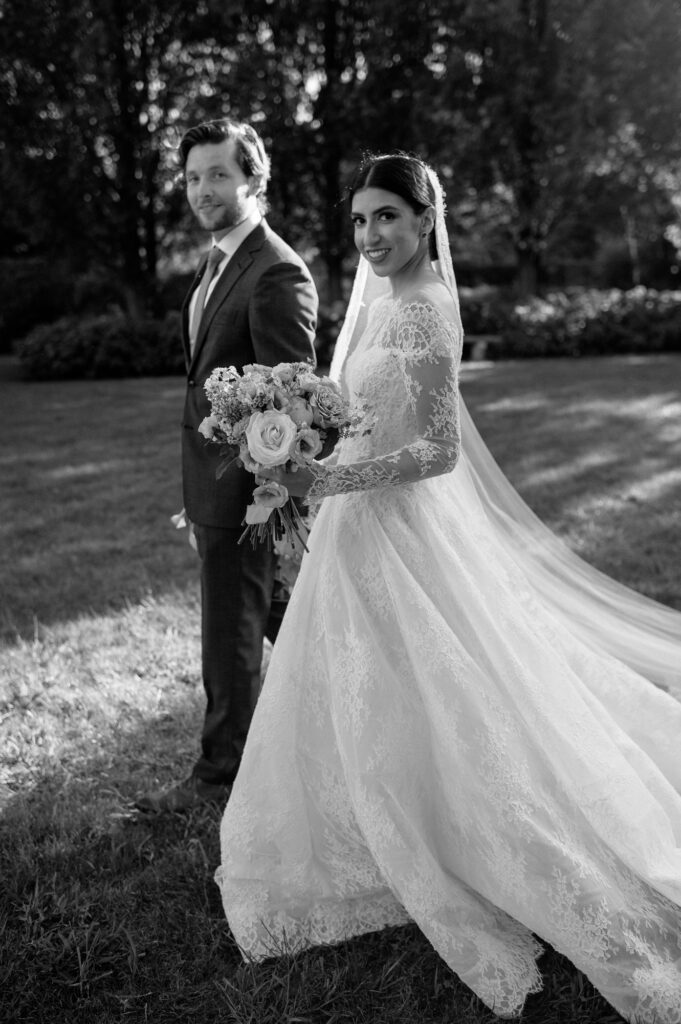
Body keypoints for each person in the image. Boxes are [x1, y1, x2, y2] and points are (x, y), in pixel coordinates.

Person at [214, 152, 681, 1021]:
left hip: (404, 528)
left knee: (444, 682)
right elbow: (357, 420)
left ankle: (450, 825)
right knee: (365, 683)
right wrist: (295, 457)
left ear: (426, 219)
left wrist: (332, 487)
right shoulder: (381, 305)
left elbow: (436, 452)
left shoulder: (427, 311)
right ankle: (366, 818)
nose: (370, 237)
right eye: (358, 221)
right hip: (356, 525)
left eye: (386, 217)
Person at [136, 119, 317, 813]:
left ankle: (218, 777)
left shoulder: (274, 270)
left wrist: (263, 498)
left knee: (230, 633)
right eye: (190, 177)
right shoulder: (216, 262)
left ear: (252, 178)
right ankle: (361, 705)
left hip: (247, 494)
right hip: (212, 483)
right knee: (282, 619)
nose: (201, 189)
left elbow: (292, 397)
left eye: (217, 174)